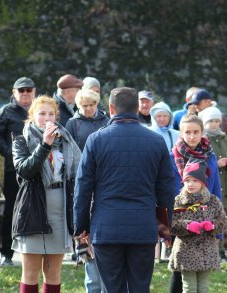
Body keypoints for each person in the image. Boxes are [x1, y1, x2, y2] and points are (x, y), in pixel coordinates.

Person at [74, 87, 175, 293]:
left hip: (106, 227)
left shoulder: (96, 140)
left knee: (112, 288)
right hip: (143, 226)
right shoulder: (156, 141)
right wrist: (165, 226)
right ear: (138, 108)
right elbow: (166, 189)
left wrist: (81, 226)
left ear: (111, 109)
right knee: (140, 287)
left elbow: (83, 187)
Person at [12, 95, 81, 293]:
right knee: (31, 272)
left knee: (53, 273)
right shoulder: (21, 141)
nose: (47, 118)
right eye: (42, 113)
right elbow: (26, 170)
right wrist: (44, 145)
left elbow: (79, 171)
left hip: (60, 210)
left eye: (51, 114)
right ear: (32, 115)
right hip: (33, 209)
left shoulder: (65, 141)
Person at [169, 114, 222, 293]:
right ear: (181, 133)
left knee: (200, 278)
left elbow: (215, 188)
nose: (192, 136)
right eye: (188, 132)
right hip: (181, 218)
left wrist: (216, 225)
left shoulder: (210, 156)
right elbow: (166, 188)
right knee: (180, 272)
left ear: (202, 133)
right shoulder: (172, 156)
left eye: (196, 132)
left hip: (205, 219)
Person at [65, 88, 108, 292]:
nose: (89, 109)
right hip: (80, 175)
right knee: (82, 215)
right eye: (84, 106)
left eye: (92, 105)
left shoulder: (105, 121)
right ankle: (81, 250)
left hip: (102, 177)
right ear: (78, 106)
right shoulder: (73, 123)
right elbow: (68, 151)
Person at [0, 76, 36, 266]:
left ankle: (35, 250)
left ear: (34, 92)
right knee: (11, 211)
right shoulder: (5, 112)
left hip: (38, 168)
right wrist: (9, 152)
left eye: (28, 90)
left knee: (37, 209)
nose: (25, 94)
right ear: (14, 93)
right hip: (14, 170)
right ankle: (6, 252)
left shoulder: (40, 109)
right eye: (21, 90)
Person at [169, 160, 227, 293]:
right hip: (186, 252)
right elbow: (171, 223)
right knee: (189, 287)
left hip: (206, 252)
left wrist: (213, 225)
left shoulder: (212, 201)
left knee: (203, 287)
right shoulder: (179, 201)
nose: (190, 184)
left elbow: (224, 223)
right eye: (187, 180)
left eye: (195, 180)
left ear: (202, 182)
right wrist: (186, 226)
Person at [200, 106, 227, 261]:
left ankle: (221, 251)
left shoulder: (225, 139)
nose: (214, 124)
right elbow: (201, 164)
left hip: (226, 186)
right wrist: (217, 163)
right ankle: (211, 251)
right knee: (209, 219)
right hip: (211, 186)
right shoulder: (203, 141)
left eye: (217, 121)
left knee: (222, 219)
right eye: (210, 121)